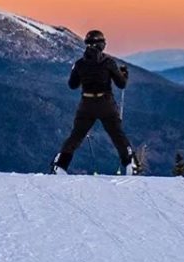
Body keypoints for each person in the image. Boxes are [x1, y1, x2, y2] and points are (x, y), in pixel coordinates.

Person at [51, 30, 138, 175]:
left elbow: (72, 85)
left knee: (76, 136)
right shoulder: (108, 62)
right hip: (106, 103)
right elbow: (121, 84)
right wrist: (124, 74)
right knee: (117, 134)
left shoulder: (79, 64)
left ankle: (61, 165)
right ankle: (130, 164)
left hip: (86, 104)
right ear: (100, 44)